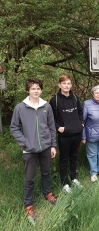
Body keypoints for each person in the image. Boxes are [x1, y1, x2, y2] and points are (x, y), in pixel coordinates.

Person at [10, 78, 57, 222]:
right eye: (33, 88)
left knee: (46, 172)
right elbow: (14, 128)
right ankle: (29, 206)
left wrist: (53, 145)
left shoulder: (46, 106)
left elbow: (51, 127)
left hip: (45, 147)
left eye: (38, 88)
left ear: (41, 90)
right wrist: (25, 142)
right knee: (29, 179)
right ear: (28, 90)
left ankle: (47, 193)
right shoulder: (20, 107)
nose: (36, 91)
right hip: (29, 150)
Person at [49, 74, 84, 194]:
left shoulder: (75, 97)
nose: (66, 85)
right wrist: (58, 128)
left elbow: (80, 112)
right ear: (59, 85)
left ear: (71, 85)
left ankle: (74, 178)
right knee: (64, 159)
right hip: (64, 135)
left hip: (76, 133)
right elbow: (51, 117)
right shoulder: (55, 100)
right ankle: (65, 183)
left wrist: (82, 124)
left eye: (68, 83)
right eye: (64, 83)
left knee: (74, 157)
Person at [81, 85, 99, 182]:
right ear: (93, 94)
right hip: (91, 135)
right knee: (92, 154)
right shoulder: (87, 104)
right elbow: (82, 122)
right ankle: (93, 173)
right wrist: (83, 136)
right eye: (96, 93)